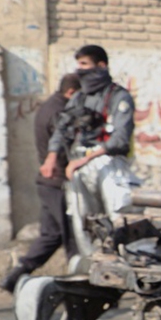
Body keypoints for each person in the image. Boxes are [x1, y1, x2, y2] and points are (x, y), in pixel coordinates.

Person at [49, 44, 139, 266]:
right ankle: (95, 266)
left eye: (85, 64)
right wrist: (51, 157)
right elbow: (62, 128)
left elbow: (119, 140)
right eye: (78, 65)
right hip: (79, 167)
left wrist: (85, 159)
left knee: (119, 216)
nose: (80, 70)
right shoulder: (79, 98)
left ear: (101, 66)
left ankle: (130, 264)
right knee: (84, 222)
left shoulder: (118, 97)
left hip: (109, 163)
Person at [0, 73, 82, 293]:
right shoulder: (59, 112)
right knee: (73, 236)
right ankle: (81, 287)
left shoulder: (50, 106)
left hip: (48, 183)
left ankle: (15, 276)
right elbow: (62, 145)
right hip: (58, 182)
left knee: (51, 236)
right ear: (72, 92)